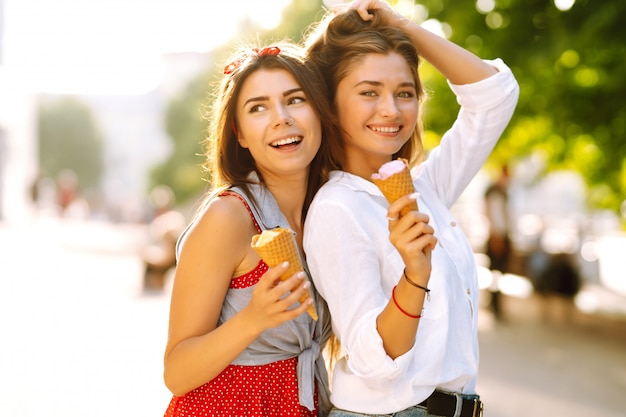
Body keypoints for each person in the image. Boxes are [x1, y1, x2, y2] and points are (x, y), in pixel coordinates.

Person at [303, 1, 519, 416]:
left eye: (405, 92)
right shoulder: (337, 209)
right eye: (369, 92)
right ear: (329, 105)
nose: (392, 109)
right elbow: (371, 359)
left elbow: (495, 96)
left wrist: (399, 24)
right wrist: (414, 276)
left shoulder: (427, 186)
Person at [162, 41, 341, 417]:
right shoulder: (229, 217)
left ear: (320, 113)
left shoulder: (328, 212)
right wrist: (253, 318)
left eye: (295, 100)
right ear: (240, 134)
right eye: (258, 108)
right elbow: (176, 372)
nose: (281, 117)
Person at [483, 165, 512, 319]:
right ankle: (494, 304)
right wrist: (496, 236)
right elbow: (493, 215)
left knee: (499, 273)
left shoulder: (502, 193)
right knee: (495, 272)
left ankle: (496, 303)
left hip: (502, 235)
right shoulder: (495, 192)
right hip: (497, 236)